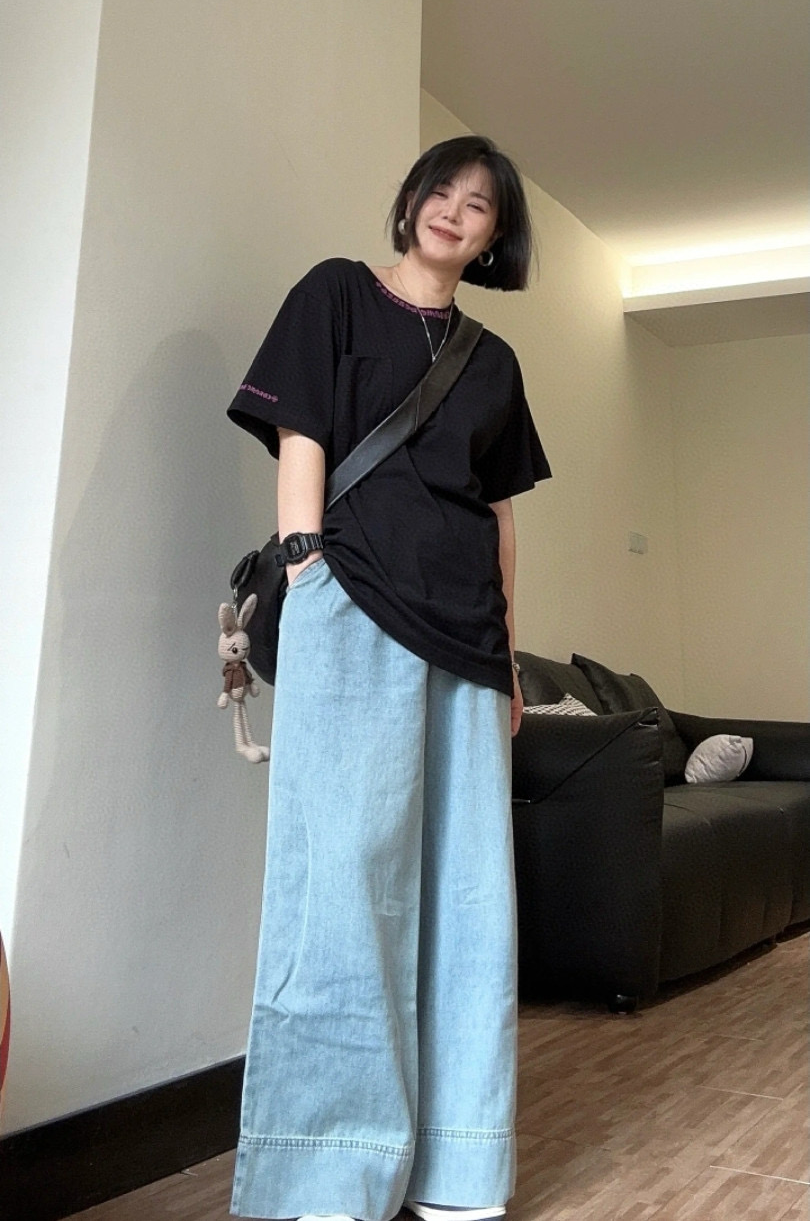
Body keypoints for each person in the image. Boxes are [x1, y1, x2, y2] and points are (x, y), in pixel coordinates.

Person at [227, 135, 551, 1221]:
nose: (453, 210)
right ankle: (329, 1170)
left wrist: (509, 655)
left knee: (469, 898)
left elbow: (498, 513)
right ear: (411, 201)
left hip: (467, 636)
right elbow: (301, 433)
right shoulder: (335, 293)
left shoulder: (494, 363)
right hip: (351, 602)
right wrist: (303, 566)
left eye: (479, 205)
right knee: (341, 884)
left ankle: (459, 1163)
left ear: (495, 239)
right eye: (440, 190)